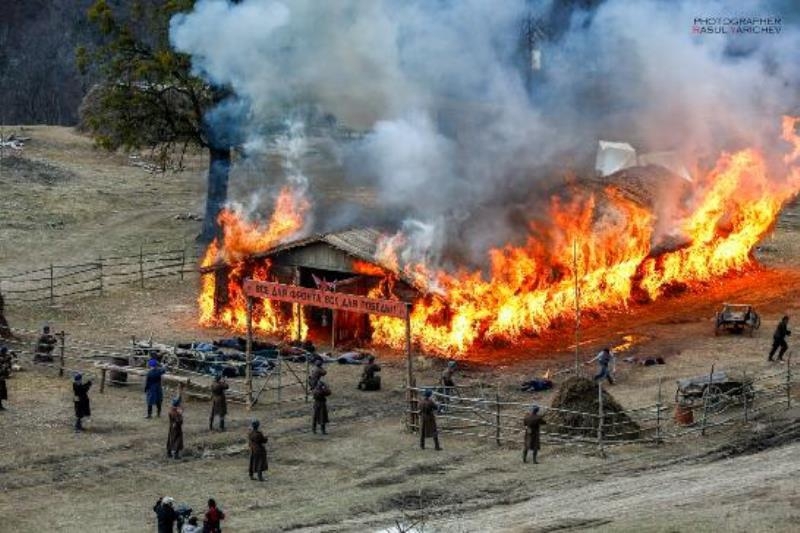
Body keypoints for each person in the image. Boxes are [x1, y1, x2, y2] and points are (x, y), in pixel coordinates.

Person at [0, 346, 11, 410]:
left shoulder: (4, 358)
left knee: (1, 392)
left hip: (2, 378)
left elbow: (7, 368)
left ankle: (0, 405)